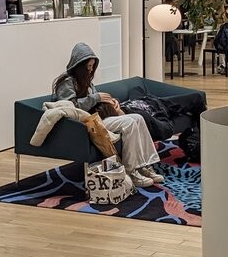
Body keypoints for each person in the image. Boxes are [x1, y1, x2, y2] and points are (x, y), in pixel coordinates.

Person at [53, 43, 163, 188]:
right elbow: (70, 108)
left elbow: (96, 100)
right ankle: (131, 171)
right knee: (129, 123)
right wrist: (96, 98)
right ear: (79, 65)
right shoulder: (66, 82)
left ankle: (145, 165)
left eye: (92, 66)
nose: (91, 69)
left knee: (138, 118)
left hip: (98, 120)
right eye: (88, 66)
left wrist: (112, 103)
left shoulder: (86, 81)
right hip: (86, 124)